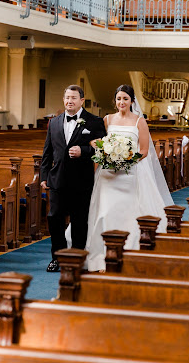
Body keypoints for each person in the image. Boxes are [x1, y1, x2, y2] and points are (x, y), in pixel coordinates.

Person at [85, 84, 174, 272]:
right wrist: (106, 151)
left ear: (132, 101)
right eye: (118, 99)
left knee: (127, 212)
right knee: (106, 212)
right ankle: (104, 256)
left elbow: (144, 150)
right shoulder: (107, 120)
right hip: (108, 175)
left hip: (130, 174)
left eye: (125, 99)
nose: (121, 102)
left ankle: (127, 252)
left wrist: (125, 159)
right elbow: (96, 140)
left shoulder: (139, 122)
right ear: (115, 101)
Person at [40, 84, 106, 272]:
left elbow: (102, 148)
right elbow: (48, 152)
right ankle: (57, 257)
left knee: (79, 221)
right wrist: (44, 176)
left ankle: (77, 258)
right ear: (64, 99)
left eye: (74, 98)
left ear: (82, 101)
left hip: (81, 181)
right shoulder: (54, 123)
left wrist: (84, 150)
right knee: (55, 219)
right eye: (67, 97)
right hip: (57, 180)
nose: (70, 101)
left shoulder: (93, 122)